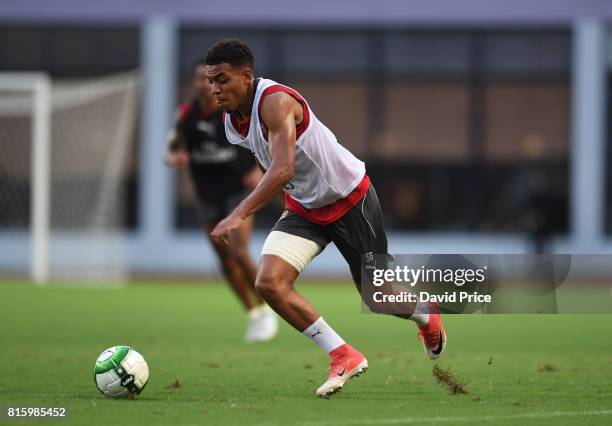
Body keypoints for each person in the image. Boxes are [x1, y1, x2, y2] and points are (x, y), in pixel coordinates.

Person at [205, 39, 446, 398]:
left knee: (377, 297)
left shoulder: (275, 101)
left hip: (349, 198)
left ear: (246, 75)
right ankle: (343, 354)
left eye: (221, 79)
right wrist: (285, 201)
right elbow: (268, 161)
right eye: (211, 81)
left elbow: (283, 168)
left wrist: (238, 214)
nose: (214, 89)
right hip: (304, 209)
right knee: (269, 283)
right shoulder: (231, 123)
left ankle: (427, 314)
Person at [165, 59, 277, 343]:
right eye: (202, 79)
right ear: (195, 83)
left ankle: (270, 306)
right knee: (226, 263)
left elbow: (261, 141)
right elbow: (169, 150)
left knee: (240, 253)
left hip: (237, 191)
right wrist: (173, 157)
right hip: (207, 196)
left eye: (212, 79)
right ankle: (253, 314)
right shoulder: (185, 116)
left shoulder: (233, 112)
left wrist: (258, 169)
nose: (207, 84)